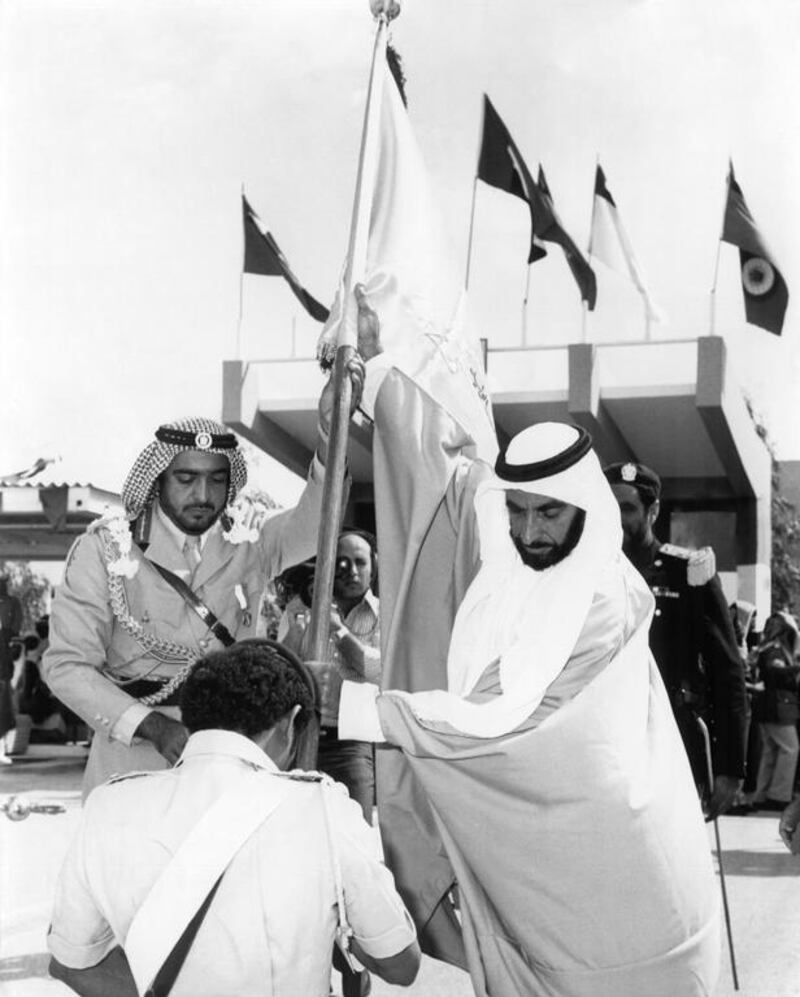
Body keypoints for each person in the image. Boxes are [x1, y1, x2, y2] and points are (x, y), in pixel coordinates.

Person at [311, 289, 720, 997]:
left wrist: (351, 708)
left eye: (548, 514)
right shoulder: (511, 560)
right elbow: (446, 466)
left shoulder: (599, 595)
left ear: (585, 509)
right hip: (536, 866)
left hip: (613, 859)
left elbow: (502, 716)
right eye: (519, 511)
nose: (530, 532)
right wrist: (379, 368)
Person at [42, 358, 363, 796]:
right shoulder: (106, 549)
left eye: (216, 480)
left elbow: (314, 525)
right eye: (186, 479)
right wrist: (153, 727)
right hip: (134, 761)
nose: (203, 495)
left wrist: (330, 434)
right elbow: (66, 667)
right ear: (158, 480)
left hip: (234, 754)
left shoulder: (248, 543)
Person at [47, 639, 420, 997]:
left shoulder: (110, 805)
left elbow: (72, 965)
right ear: (289, 724)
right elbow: (401, 964)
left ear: (193, 720)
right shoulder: (323, 807)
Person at [604, 461, 748, 820]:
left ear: (653, 511)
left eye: (628, 508)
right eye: (610, 507)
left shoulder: (687, 574)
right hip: (605, 739)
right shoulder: (593, 573)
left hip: (671, 740)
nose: (617, 518)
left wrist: (730, 767)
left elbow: (727, 671)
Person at [752, 611, 800, 811]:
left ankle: (762, 795)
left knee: (771, 752)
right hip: (777, 707)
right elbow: (775, 674)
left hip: (771, 707)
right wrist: (797, 669)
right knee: (790, 749)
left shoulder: (769, 647)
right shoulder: (776, 650)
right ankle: (778, 797)